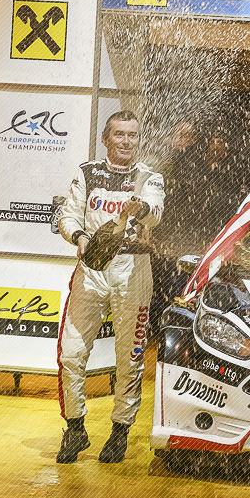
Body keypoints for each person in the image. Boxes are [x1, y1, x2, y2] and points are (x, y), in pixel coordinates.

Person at [53, 110, 165, 464]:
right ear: (106, 139)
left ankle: (120, 430)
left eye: (132, 135)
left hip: (133, 267)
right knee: (70, 353)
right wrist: (80, 237)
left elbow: (156, 213)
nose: (127, 141)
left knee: (129, 355)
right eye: (120, 134)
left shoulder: (149, 176)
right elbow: (67, 216)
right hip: (92, 266)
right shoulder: (87, 172)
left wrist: (140, 208)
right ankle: (75, 427)